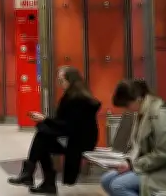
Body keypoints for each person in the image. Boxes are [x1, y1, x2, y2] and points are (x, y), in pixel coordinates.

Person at [7, 66, 101, 195]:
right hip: (72, 137)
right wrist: (45, 121)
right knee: (42, 139)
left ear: (71, 81)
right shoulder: (73, 97)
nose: (60, 84)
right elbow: (65, 124)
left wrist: (45, 119)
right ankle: (36, 178)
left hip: (78, 141)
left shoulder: (78, 100)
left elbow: (69, 126)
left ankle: (35, 176)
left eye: (61, 80)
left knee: (42, 139)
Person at [101, 79, 166, 196]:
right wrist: (128, 161)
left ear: (138, 99)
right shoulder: (141, 113)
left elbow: (164, 152)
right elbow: (137, 146)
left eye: (127, 105)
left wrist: (133, 165)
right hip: (147, 165)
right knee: (106, 180)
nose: (127, 109)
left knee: (118, 185)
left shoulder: (160, 114)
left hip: (162, 170)